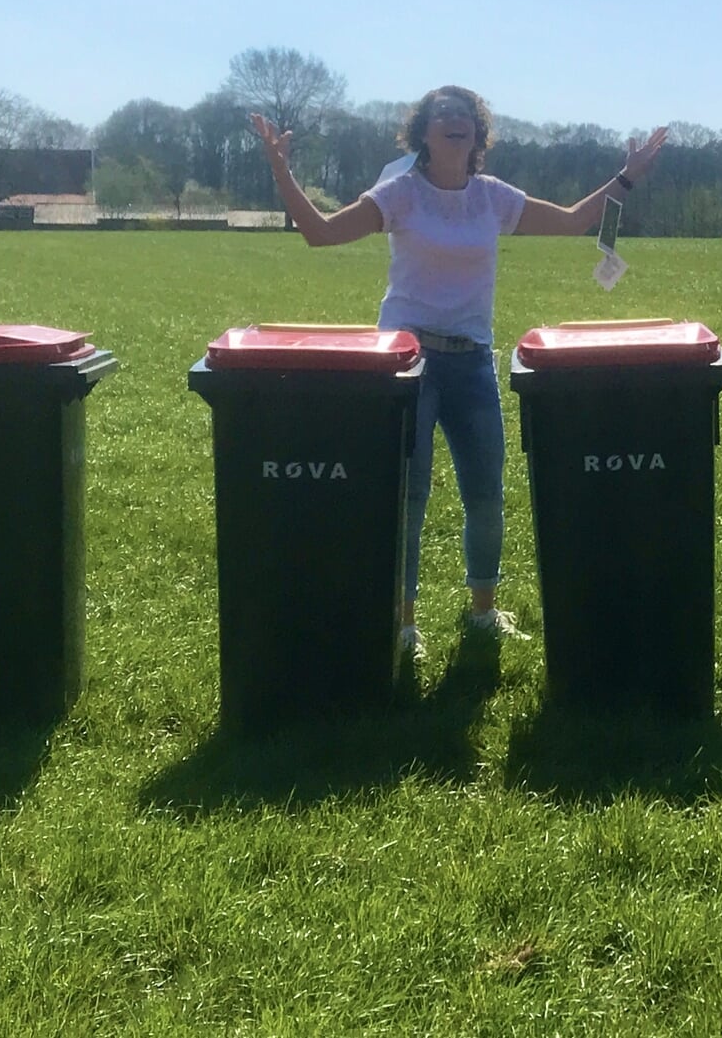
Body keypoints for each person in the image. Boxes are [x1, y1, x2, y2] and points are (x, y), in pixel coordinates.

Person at [249, 87, 668, 657]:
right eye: (442, 115)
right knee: (409, 494)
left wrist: (628, 175)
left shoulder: (492, 198)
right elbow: (320, 233)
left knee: (486, 493)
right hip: (406, 362)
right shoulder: (399, 194)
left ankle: (483, 611)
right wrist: (280, 168)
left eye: (465, 117)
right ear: (422, 133)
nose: (455, 122)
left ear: (477, 135)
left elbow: (572, 222)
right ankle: (402, 624)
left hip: (472, 360)